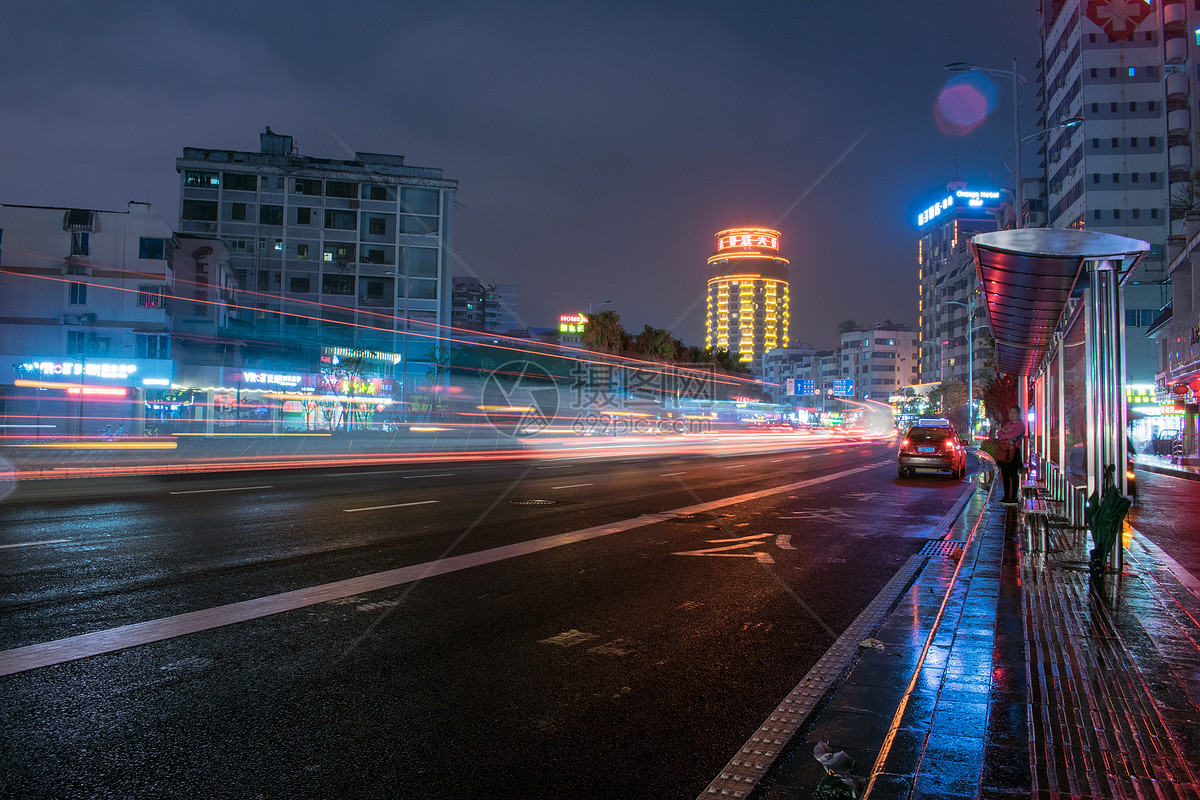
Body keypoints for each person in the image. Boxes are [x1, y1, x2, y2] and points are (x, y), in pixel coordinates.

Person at [995, 405, 1026, 505]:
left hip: (1013, 452)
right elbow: (999, 432)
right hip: (1005, 451)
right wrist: (1005, 432)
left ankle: (1013, 498)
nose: (1012, 415)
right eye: (1010, 413)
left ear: (1018, 414)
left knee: (1013, 475)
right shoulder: (1009, 424)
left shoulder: (1020, 425)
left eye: (1014, 413)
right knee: (1005, 475)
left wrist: (1005, 433)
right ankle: (1006, 496)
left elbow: (1012, 435)